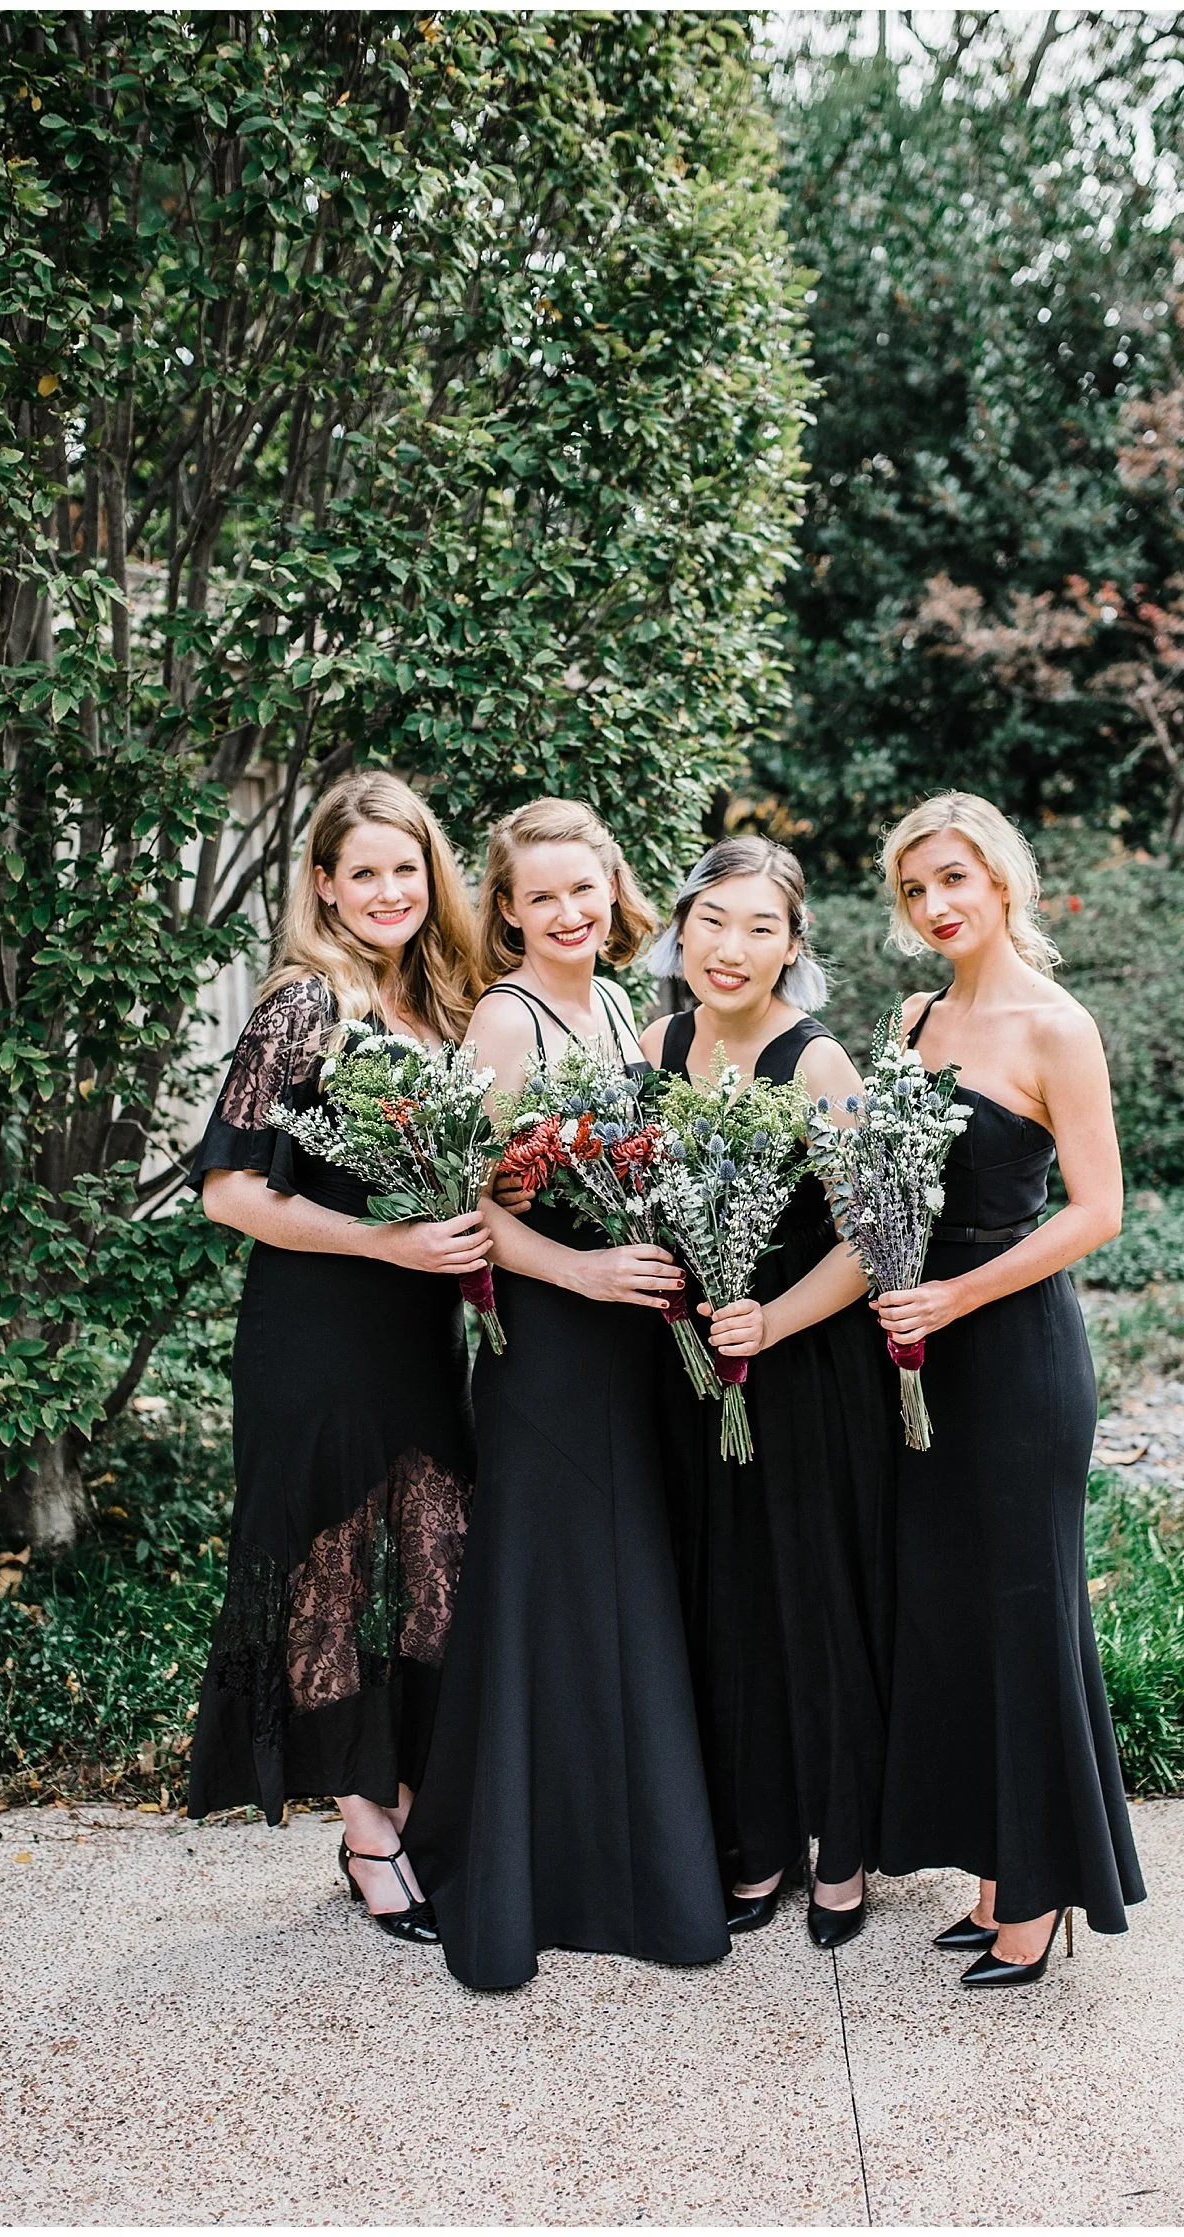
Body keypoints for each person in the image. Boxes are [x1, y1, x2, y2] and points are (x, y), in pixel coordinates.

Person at [403, 798, 731, 1990]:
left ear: (613, 888)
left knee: (621, 1585)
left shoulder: (621, 1009)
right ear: (507, 909)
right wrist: (585, 1271)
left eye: (583, 888)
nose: (568, 911)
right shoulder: (506, 1017)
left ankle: (625, 1855)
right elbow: (471, 1207)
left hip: (630, 1338)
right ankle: (528, 1873)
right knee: (549, 1588)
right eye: (540, 895)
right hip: (548, 1340)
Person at [188, 771, 489, 1943]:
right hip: (316, 1333)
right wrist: (386, 1240)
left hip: (419, 1336)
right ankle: (368, 1830)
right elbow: (228, 1191)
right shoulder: (305, 1005)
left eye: (406, 868)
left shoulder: (446, 1000)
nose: (387, 890)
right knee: (333, 1575)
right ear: (323, 884)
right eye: (362, 871)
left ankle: (406, 1795)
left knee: (436, 1572)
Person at [872, 791, 1145, 1987]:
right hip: (919, 1351)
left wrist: (955, 1296)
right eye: (915, 888)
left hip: (1015, 1347)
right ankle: (994, 1871)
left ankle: (1038, 1898)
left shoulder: (1056, 1026)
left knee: (1027, 1613)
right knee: (955, 1613)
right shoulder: (915, 1017)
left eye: (954, 878)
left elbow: (1098, 1210)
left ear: (1001, 880)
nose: (936, 904)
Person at [641, 838, 898, 1951]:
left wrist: (773, 1320)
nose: (731, 947)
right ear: (681, 930)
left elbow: (873, 1235)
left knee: (811, 1602)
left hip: (803, 1369)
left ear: (793, 946)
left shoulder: (817, 1061)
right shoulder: (658, 1046)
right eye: (713, 921)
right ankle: (757, 1837)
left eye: (760, 927)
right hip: (694, 1372)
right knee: (726, 1604)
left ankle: (842, 1847)